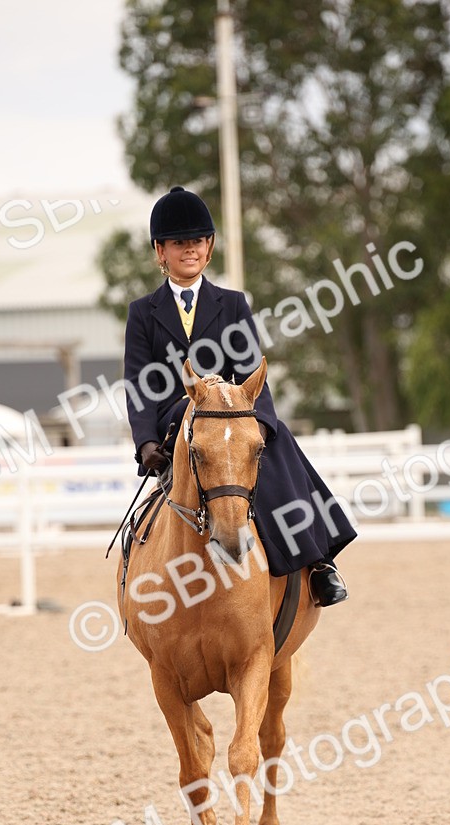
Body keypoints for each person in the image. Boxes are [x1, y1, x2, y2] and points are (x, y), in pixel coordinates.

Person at [122, 185, 356, 606]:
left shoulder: (232, 304)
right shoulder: (143, 312)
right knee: (139, 524)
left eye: (197, 242)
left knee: (280, 440)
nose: (189, 250)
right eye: (179, 243)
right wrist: (145, 442)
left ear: (209, 247)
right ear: (161, 251)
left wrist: (259, 422)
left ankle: (318, 560)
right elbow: (138, 382)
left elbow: (251, 371)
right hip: (174, 423)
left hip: (228, 416)